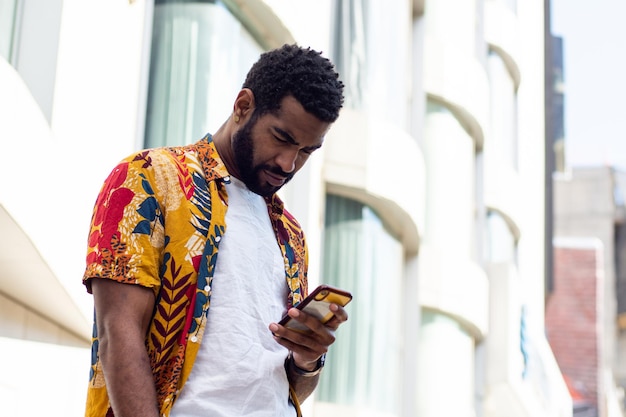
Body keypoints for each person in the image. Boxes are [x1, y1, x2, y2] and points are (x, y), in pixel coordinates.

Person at [82, 44, 347, 417]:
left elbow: (277, 387)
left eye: (306, 151)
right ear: (243, 106)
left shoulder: (291, 234)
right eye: (283, 138)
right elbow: (117, 333)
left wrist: (307, 360)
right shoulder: (149, 178)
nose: (289, 163)